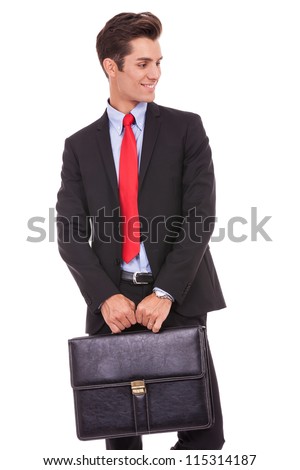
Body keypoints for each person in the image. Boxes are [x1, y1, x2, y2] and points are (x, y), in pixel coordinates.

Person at [56, 11, 226, 450]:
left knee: (202, 435)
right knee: (120, 436)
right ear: (111, 67)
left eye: (158, 62)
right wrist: (104, 296)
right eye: (143, 64)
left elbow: (200, 216)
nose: (155, 74)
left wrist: (165, 292)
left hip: (179, 295)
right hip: (113, 303)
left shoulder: (186, 128)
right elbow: (70, 230)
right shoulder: (80, 145)